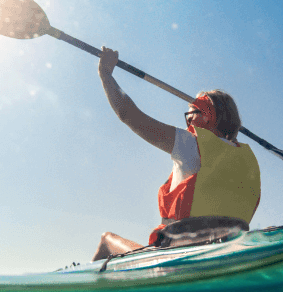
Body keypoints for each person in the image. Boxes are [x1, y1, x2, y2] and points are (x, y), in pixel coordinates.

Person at [92, 47, 261, 261]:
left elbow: (128, 114)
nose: (188, 121)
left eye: (191, 114)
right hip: (228, 254)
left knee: (107, 239)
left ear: (205, 115)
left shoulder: (190, 143)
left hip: (178, 255)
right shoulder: (247, 161)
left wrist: (105, 74)